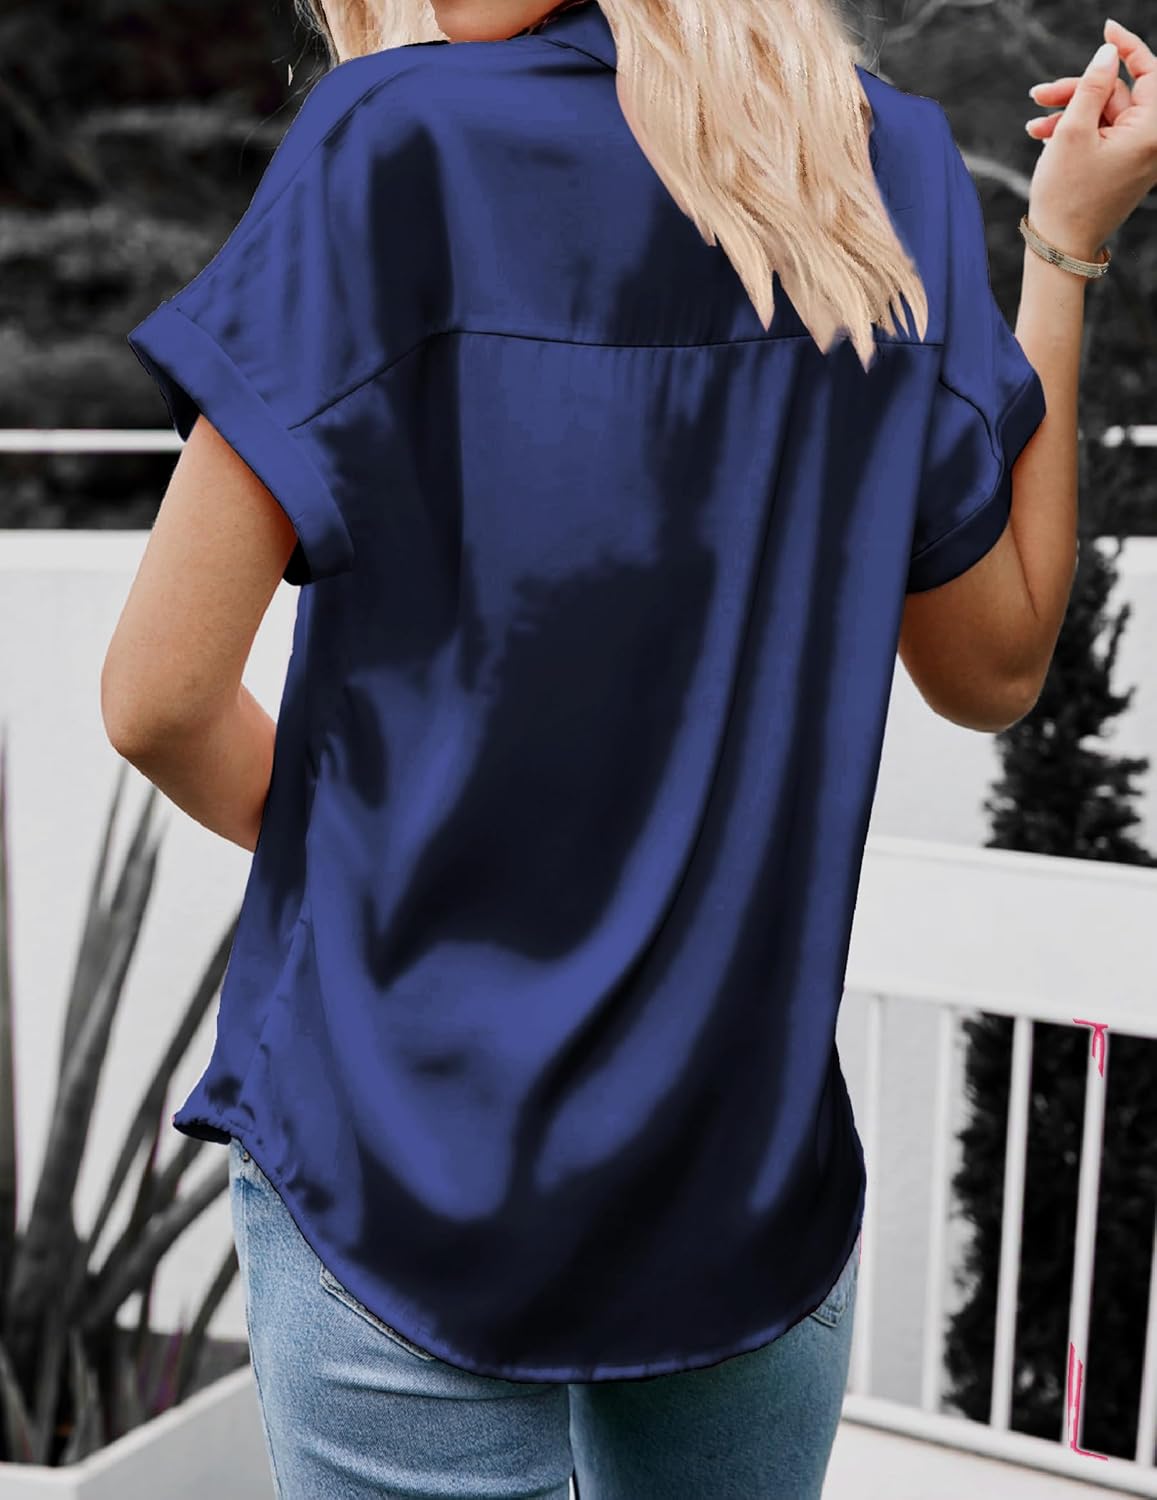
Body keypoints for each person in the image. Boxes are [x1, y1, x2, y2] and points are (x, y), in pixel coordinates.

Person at [102, 1, 1157, 1494]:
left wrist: (380, 864)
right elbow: (993, 669)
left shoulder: (393, 142)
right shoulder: (887, 166)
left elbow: (157, 699)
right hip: (735, 1167)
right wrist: (1064, 247)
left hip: (398, 1151)